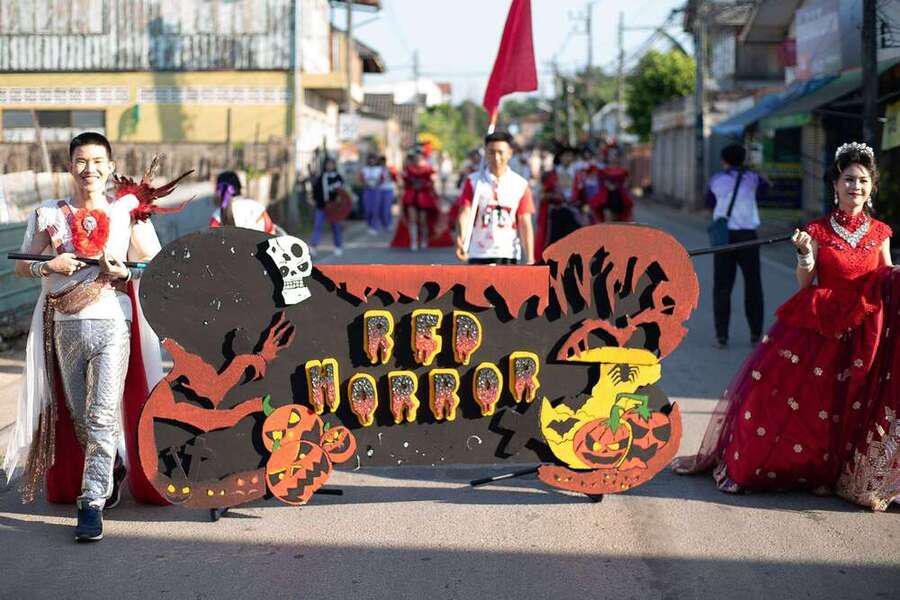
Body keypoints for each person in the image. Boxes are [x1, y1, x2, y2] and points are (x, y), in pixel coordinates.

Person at [674, 142, 899, 511]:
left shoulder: (881, 232)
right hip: (822, 326)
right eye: (848, 179)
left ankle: (842, 473)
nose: (855, 187)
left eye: (862, 180)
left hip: (864, 332)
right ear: (835, 185)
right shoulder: (817, 230)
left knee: (855, 403)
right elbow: (804, 282)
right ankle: (814, 471)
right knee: (817, 403)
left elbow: (886, 276)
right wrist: (805, 253)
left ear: (871, 187)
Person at [6, 132, 169, 541]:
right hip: (65, 325)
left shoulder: (127, 213)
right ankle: (113, 465)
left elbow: (155, 264)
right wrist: (49, 265)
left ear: (110, 167)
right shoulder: (49, 213)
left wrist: (124, 271)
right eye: (81, 161)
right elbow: (22, 266)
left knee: (100, 416)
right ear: (69, 167)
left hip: (112, 323)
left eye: (97, 161)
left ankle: (92, 502)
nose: (89, 169)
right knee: (81, 417)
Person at [707, 144, 767, 348]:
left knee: (722, 287)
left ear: (724, 160)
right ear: (743, 159)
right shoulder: (753, 178)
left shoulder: (716, 179)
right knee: (753, 285)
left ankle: (721, 336)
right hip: (748, 237)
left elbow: (709, 202)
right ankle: (756, 334)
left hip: (724, 238)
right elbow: (764, 192)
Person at [455, 130, 535, 265]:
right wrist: (461, 238)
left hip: (508, 253)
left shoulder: (520, 184)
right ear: (485, 153)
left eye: (500, 152)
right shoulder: (473, 181)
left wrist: (530, 258)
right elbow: (465, 213)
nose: (496, 157)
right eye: (491, 152)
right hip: (478, 252)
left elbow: (525, 223)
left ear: (510, 153)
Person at [208, 170, 276, 234]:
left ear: (219, 191)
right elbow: (271, 232)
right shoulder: (258, 208)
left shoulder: (218, 215)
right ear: (239, 187)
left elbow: (211, 238)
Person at [400, 151, 440, 251]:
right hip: (411, 197)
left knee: (423, 220)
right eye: (416, 159)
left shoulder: (428, 170)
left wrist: (428, 184)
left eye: (420, 159)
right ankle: (413, 241)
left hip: (424, 197)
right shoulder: (408, 170)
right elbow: (404, 183)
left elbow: (432, 182)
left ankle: (424, 240)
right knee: (412, 219)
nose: (418, 161)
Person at [310, 158, 344, 257]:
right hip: (322, 206)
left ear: (334, 165)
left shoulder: (338, 177)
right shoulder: (321, 177)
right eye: (327, 164)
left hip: (334, 208)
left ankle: (338, 246)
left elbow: (342, 192)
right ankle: (313, 246)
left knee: (335, 226)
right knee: (317, 225)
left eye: (331, 164)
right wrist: (315, 200)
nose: (329, 166)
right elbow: (316, 191)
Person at [358, 155, 384, 235]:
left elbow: (382, 179)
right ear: (368, 160)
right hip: (367, 190)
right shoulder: (364, 169)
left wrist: (377, 182)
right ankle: (369, 224)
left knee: (375, 209)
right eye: (370, 160)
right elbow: (360, 179)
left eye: (373, 160)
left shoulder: (379, 169)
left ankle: (374, 226)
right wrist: (365, 183)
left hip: (376, 190)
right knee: (367, 209)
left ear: (376, 161)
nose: (372, 161)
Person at [376, 156, 396, 232]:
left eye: (383, 161)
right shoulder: (377, 169)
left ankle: (388, 223)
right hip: (380, 190)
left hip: (388, 189)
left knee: (387, 208)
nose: (382, 163)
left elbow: (394, 178)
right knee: (380, 208)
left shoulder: (390, 169)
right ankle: (382, 223)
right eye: (380, 161)